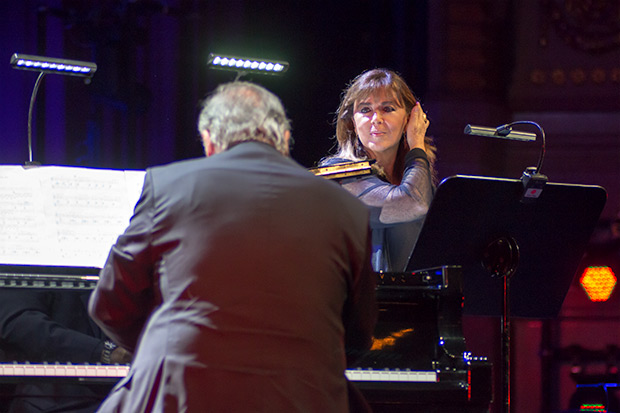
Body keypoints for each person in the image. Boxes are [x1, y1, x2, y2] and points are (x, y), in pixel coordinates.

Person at [88, 81, 377, 412]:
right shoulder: (347, 210)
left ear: (209, 142)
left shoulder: (168, 187)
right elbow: (360, 332)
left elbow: (110, 305)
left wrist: (169, 343)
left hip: (184, 397)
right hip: (303, 400)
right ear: (283, 140)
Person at [320, 68, 437, 272]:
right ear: (353, 124)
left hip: (412, 300)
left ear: (408, 120)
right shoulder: (337, 175)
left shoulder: (418, 177)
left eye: (388, 108)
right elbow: (411, 205)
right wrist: (416, 144)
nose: (376, 119)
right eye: (365, 110)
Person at [0, 287, 131, 413]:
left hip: (128, 397)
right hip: (59, 402)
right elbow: (20, 325)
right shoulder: (28, 268)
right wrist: (106, 353)